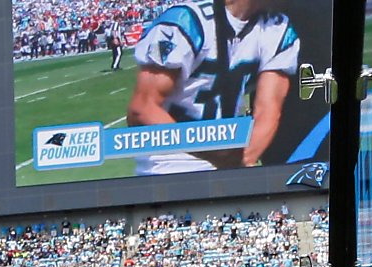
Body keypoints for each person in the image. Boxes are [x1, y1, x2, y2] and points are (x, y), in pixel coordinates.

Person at [127, 0, 300, 172]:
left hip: (229, 162)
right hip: (170, 161)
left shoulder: (278, 28)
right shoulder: (187, 20)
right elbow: (142, 108)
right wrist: (212, 153)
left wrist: (241, 160)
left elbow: (268, 111)